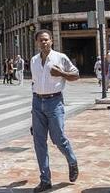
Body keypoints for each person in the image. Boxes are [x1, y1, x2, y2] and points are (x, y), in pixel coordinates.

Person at [30, 30, 79, 192]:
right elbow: (35, 83)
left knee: (58, 139)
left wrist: (61, 73)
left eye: (46, 40)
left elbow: (76, 75)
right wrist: (33, 113)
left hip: (54, 101)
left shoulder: (60, 57)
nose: (43, 42)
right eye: (40, 40)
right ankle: (45, 179)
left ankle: (72, 161)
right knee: (39, 142)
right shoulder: (34, 61)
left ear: (51, 41)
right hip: (37, 102)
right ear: (37, 42)